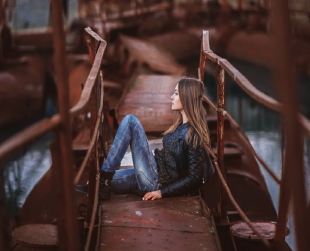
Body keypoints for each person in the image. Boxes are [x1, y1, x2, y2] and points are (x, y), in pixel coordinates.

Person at [76, 77, 214, 201]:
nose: (172, 97)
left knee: (131, 122)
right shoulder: (180, 126)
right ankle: (103, 183)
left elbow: (194, 178)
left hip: (154, 181)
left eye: (176, 93)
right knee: (94, 183)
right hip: (152, 171)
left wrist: (162, 192)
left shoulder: (193, 134)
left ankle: (104, 179)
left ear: (186, 97)